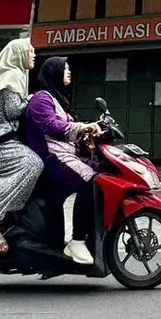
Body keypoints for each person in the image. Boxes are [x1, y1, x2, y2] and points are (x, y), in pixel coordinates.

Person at [24, 57, 102, 265]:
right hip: (52, 158)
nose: (69, 72)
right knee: (92, 180)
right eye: (65, 68)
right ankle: (77, 240)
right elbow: (51, 125)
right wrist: (82, 127)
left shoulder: (58, 99)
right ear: (53, 73)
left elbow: (65, 127)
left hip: (65, 155)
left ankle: (59, 243)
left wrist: (85, 133)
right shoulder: (42, 98)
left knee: (101, 172)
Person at [0, 38, 44, 253]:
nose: (33, 55)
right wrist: (35, 100)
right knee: (33, 164)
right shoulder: (10, 76)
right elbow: (14, 110)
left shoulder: (17, 76)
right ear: (18, 55)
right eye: (29, 51)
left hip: (3, 142)